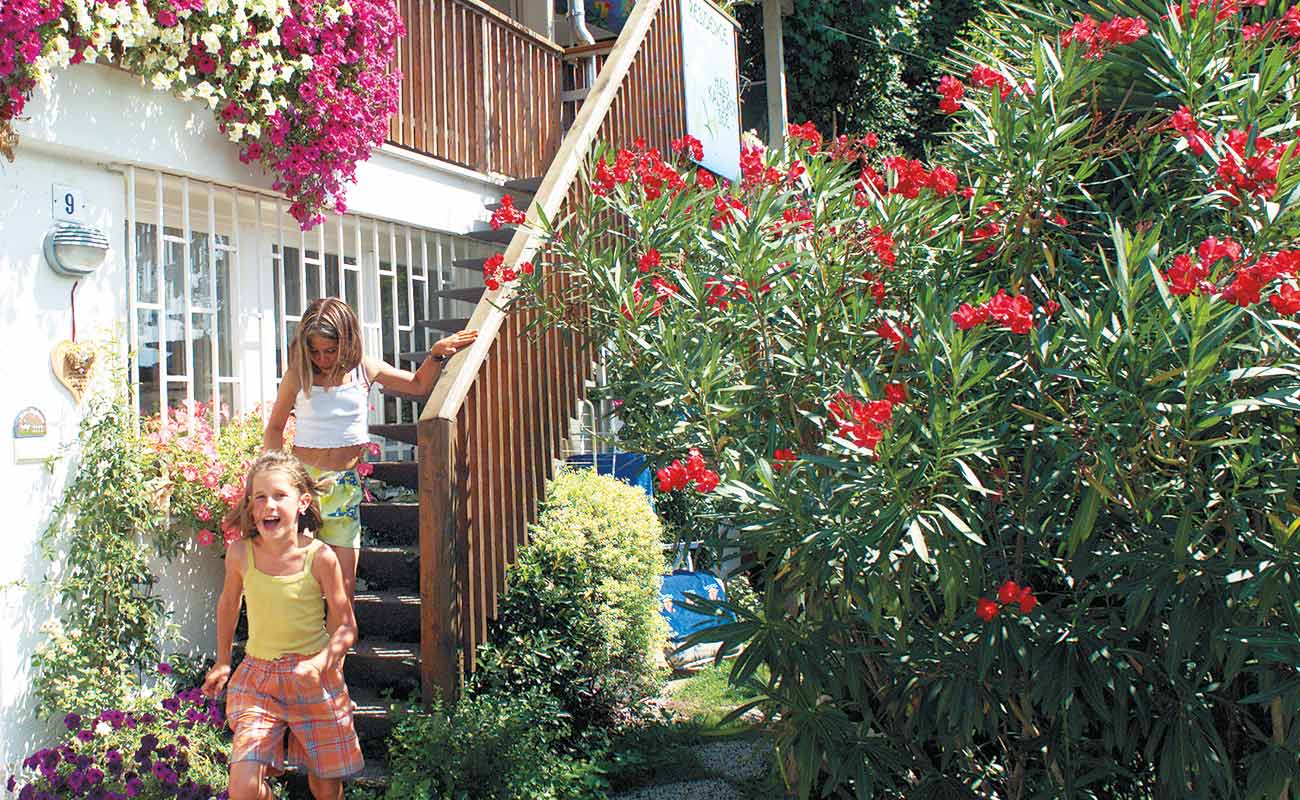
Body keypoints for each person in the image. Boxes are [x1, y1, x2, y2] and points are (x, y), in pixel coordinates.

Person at [264, 297, 476, 600]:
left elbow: (417, 385)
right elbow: (274, 429)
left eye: (330, 350)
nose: (321, 358)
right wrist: (274, 478)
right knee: (300, 584)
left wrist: (437, 355)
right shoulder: (299, 375)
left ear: (347, 340)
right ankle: (301, 646)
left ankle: (337, 646)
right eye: (314, 351)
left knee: (343, 590)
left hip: (344, 487)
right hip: (302, 486)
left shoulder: (365, 368)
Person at [202, 451, 362, 800]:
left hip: (315, 677)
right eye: (259, 497)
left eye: (279, 495)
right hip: (259, 680)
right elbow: (230, 603)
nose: (268, 505)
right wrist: (223, 660)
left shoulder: (321, 558)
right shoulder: (241, 553)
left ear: (303, 502)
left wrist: (322, 662)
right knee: (243, 788)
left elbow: (347, 627)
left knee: (325, 785)